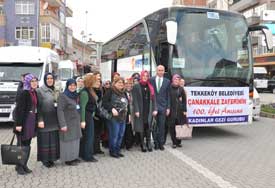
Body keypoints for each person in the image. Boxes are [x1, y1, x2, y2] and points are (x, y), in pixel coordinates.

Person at [14, 73, 38, 175]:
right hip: (23, 122)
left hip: (31, 122)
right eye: (32, 81)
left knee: (27, 145)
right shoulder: (24, 93)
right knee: (21, 146)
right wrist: (18, 124)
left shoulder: (33, 92)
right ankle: (18, 166)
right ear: (28, 82)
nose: (34, 83)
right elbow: (19, 110)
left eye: (35, 81)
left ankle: (24, 164)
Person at [36, 73, 60, 168]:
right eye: (48, 78)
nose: (50, 80)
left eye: (51, 78)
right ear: (45, 80)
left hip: (54, 119)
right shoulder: (40, 91)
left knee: (53, 140)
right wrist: (40, 119)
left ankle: (52, 159)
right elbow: (38, 107)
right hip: (44, 120)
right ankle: (45, 160)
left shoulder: (56, 90)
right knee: (45, 141)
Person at [57, 79, 82, 166]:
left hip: (75, 122)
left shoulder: (75, 95)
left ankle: (74, 157)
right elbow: (60, 110)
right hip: (67, 122)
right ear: (67, 86)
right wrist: (63, 124)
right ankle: (68, 159)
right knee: (67, 141)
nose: (73, 87)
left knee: (75, 140)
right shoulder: (63, 96)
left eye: (74, 85)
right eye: (70, 85)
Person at [102, 77, 128, 158]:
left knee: (121, 135)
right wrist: (112, 108)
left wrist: (129, 114)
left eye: (122, 83)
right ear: (115, 83)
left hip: (123, 117)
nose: (121, 84)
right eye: (119, 82)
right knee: (114, 135)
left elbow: (127, 104)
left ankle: (117, 150)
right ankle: (112, 151)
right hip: (113, 118)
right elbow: (104, 103)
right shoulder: (110, 91)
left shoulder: (124, 92)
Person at [132, 70, 157, 152]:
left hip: (148, 109)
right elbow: (134, 99)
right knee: (141, 126)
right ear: (141, 76)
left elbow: (154, 99)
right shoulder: (136, 86)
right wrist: (136, 110)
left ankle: (148, 142)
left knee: (148, 125)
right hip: (140, 109)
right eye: (144, 76)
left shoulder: (150, 86)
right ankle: (142, 143)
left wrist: (155, 109)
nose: (145, 77)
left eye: (147, 76)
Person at [150, 65, 170, 151]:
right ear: (156, 71)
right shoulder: (151, 80)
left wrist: (168, 107)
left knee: (162, 126)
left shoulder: (167, 81)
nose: (161, 72)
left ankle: (161, 143)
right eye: (159, 70)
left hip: (163, 107)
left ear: (164, 71)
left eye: (162, 70)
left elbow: (168, 95)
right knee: (154, 126)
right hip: (154, 107)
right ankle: (155, 143)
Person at [79, 74, 99, 162]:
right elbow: (83, 107)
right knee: (89, 136)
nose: (96, 82)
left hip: (90, 115)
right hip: (86, 116)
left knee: (88, 136)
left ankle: (85, 154)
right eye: (95, 80)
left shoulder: (91, 90)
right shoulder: (84, 92)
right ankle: (87, 156)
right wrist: (82, 120)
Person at [168, 74, 187, 148]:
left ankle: (179, 142)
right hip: (171, 111)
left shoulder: (181, 89)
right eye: (175, 79)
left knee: (179, 126)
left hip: (179, 111)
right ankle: (174, 142)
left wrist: (184, 109)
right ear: (173, 80)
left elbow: (184, 100)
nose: (176, 81)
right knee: (172, 127)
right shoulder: (169, 88)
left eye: (178, 80)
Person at [92, 71, 104, 154]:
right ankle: (93, 149)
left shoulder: (101, 89)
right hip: (94, 113)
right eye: (97, 77)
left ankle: (97, 148)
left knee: (98, 132)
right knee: (94, 132)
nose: (98, 79)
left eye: (99, 78)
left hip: (100, 113)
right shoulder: (91, 89)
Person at [122, 77, 134, 150]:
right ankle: (124, 144)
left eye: (130, 83)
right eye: (126, 84)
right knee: (125, 128)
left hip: (133, 113)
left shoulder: (134, 92)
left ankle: (130, 143)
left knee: (131, 128)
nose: (128, 85)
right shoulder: (122, 93)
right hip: (125, 113)